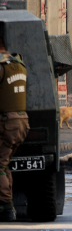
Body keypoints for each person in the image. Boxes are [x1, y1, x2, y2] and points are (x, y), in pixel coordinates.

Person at [0, 37, 29, 221]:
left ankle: (7, 207)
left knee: (0, 165)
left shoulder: (1, 66)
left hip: (6, 122)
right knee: (5, 163)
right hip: (22, 121)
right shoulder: (19, 64)